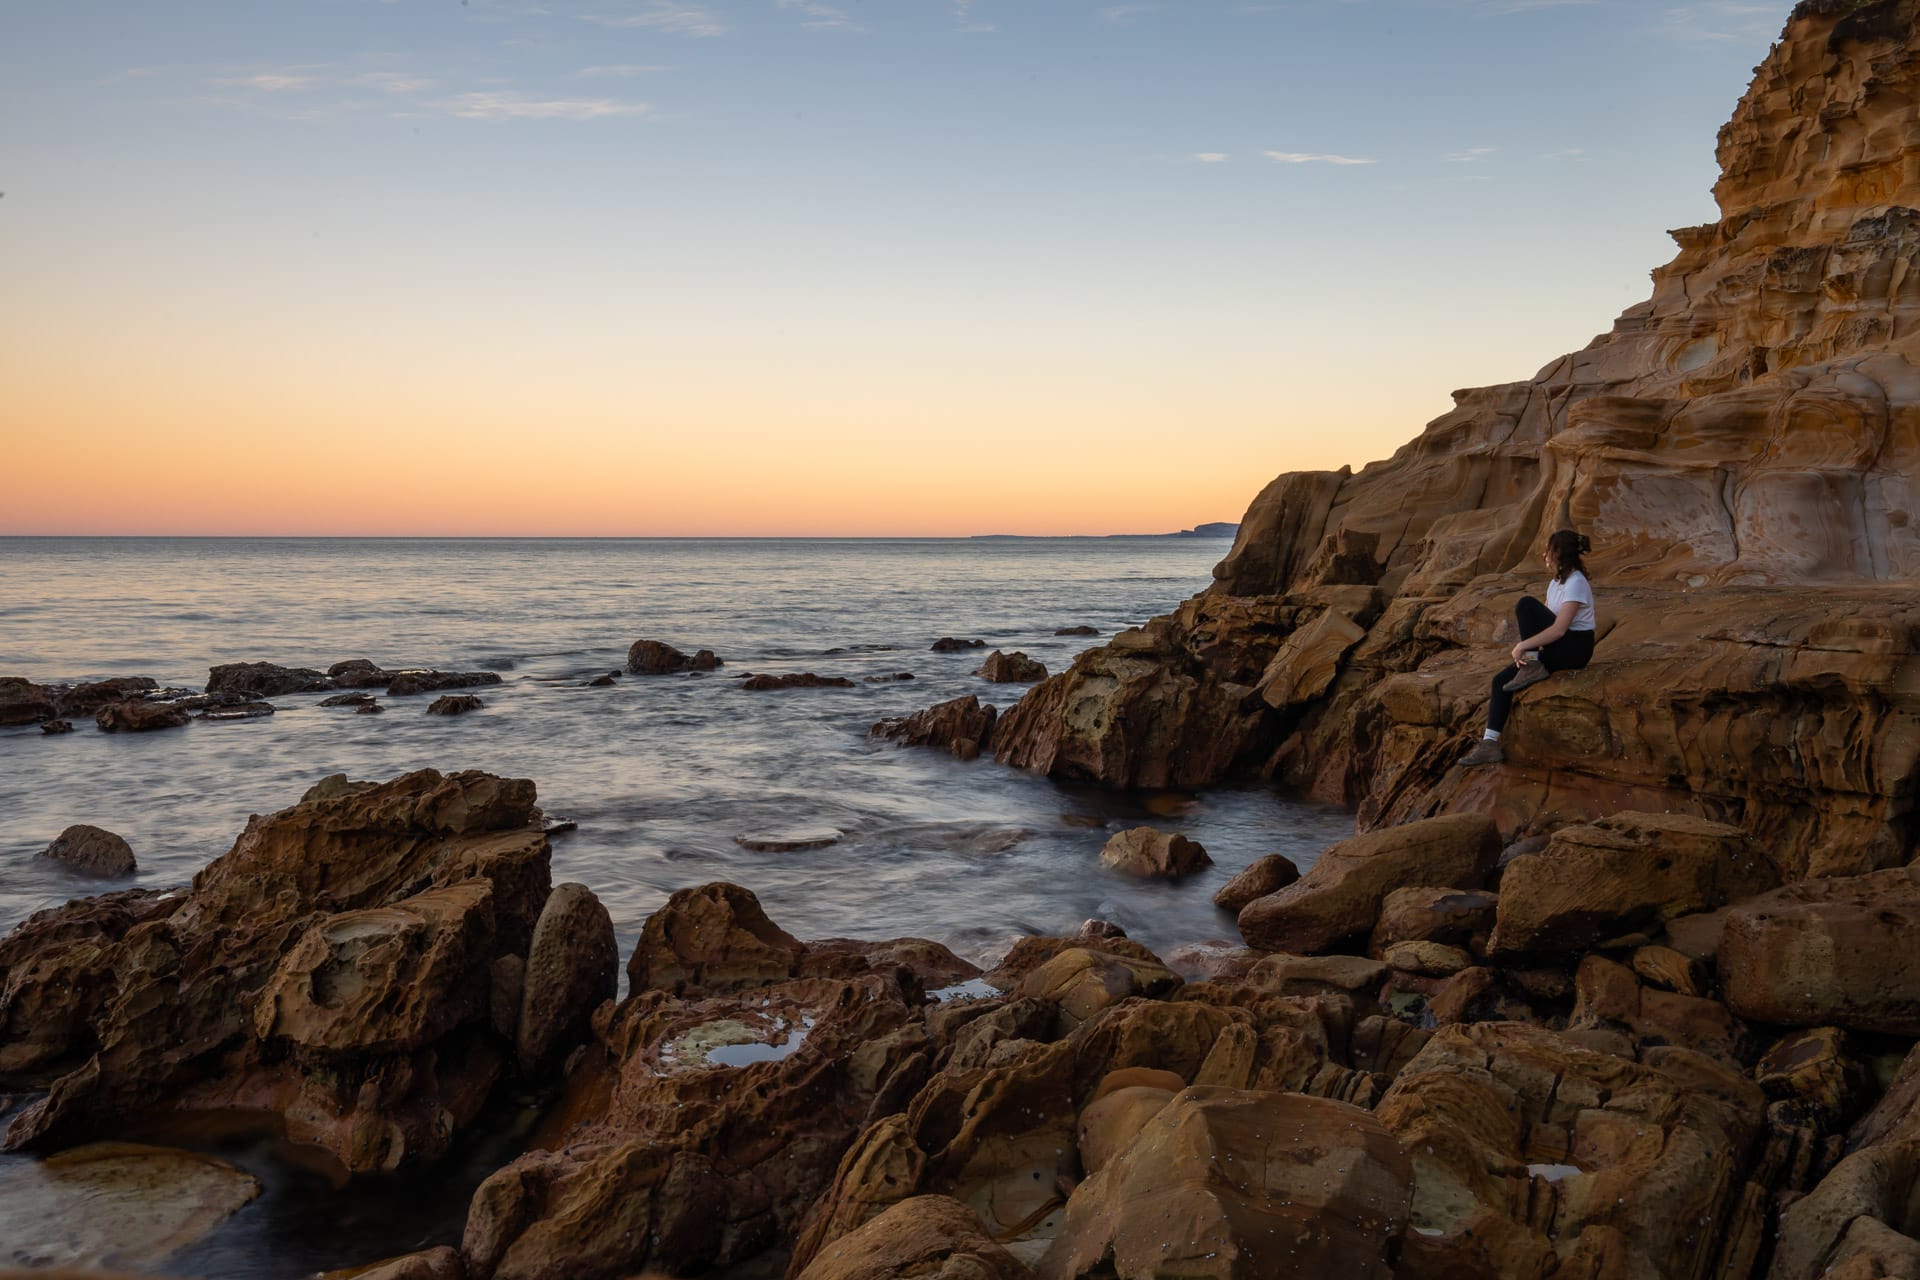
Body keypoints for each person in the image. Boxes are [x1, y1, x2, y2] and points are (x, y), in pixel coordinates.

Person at [1459, 529, 1596, 767]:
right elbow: (1543, 624)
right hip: (1558, 647)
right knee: (1499, 681)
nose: (1545, 555)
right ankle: (1490, 744)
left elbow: (1559, 629)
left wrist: (1524, 646)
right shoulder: (1556, 583)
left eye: (1549, 551)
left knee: (1525, 604)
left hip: (1576, 648)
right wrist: (1527, 647)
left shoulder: (1576, 583)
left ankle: (1532, 665)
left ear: (1559, 554)